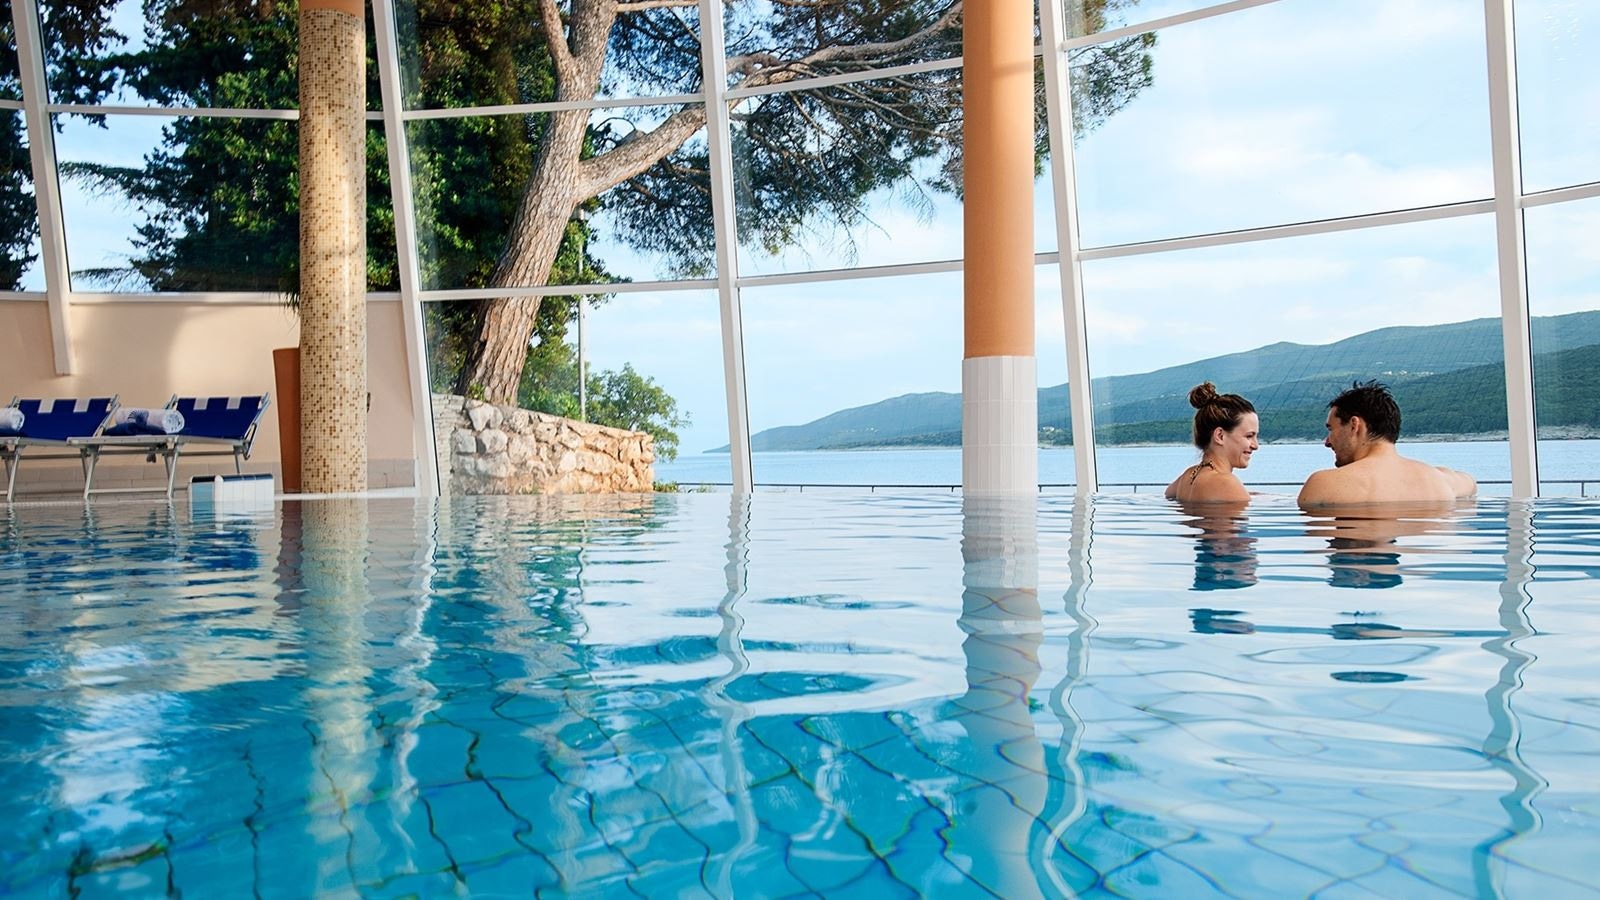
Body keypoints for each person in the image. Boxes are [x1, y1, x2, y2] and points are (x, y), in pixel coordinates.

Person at [1298, 380, 1477, 506]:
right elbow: (1471, 484)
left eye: (1331, 429)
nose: (1327, 442)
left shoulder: (1324, 484)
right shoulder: (1443, 480)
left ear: (1354, 425)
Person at [1165, 382, 1259, 503]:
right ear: (1220, 436)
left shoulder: (1187, 477)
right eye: (1249, 436)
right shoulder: (1226, 483)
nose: (1255, 445)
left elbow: (1168, 493)